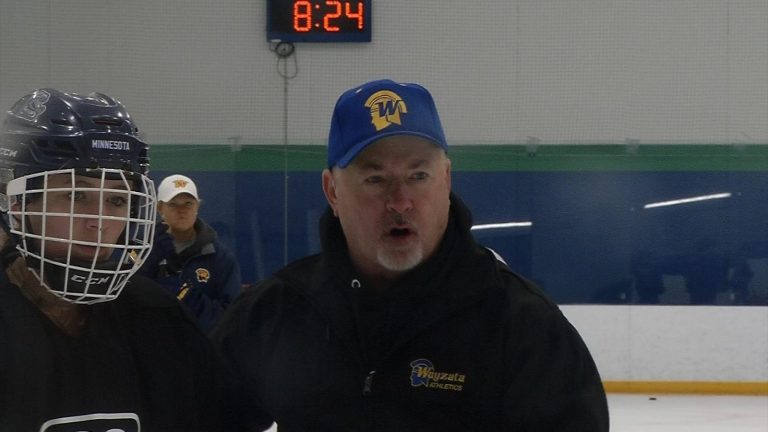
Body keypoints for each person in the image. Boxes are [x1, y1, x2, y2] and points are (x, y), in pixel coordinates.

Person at [212, 79, 609, 431]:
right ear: (332, 191)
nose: (400, 201)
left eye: (419, 176)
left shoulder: (522, 325)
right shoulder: (277, 311)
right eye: (375, 178)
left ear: (446, 180)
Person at [0, 88, 222, 431]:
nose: (99, 221)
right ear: (17, 203)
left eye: (117, 201)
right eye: (76, 195)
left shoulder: (159, 318)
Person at [138, 173, 241, 332]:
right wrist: (147, 265)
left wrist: (186, 295)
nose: (182, 211)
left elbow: (231, 319)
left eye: (188, 203)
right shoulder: (141, 250)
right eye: (173, 204)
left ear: (197, 206)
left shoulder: (220, 257)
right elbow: (126, 304)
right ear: (160, 208)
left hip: (199, 346)